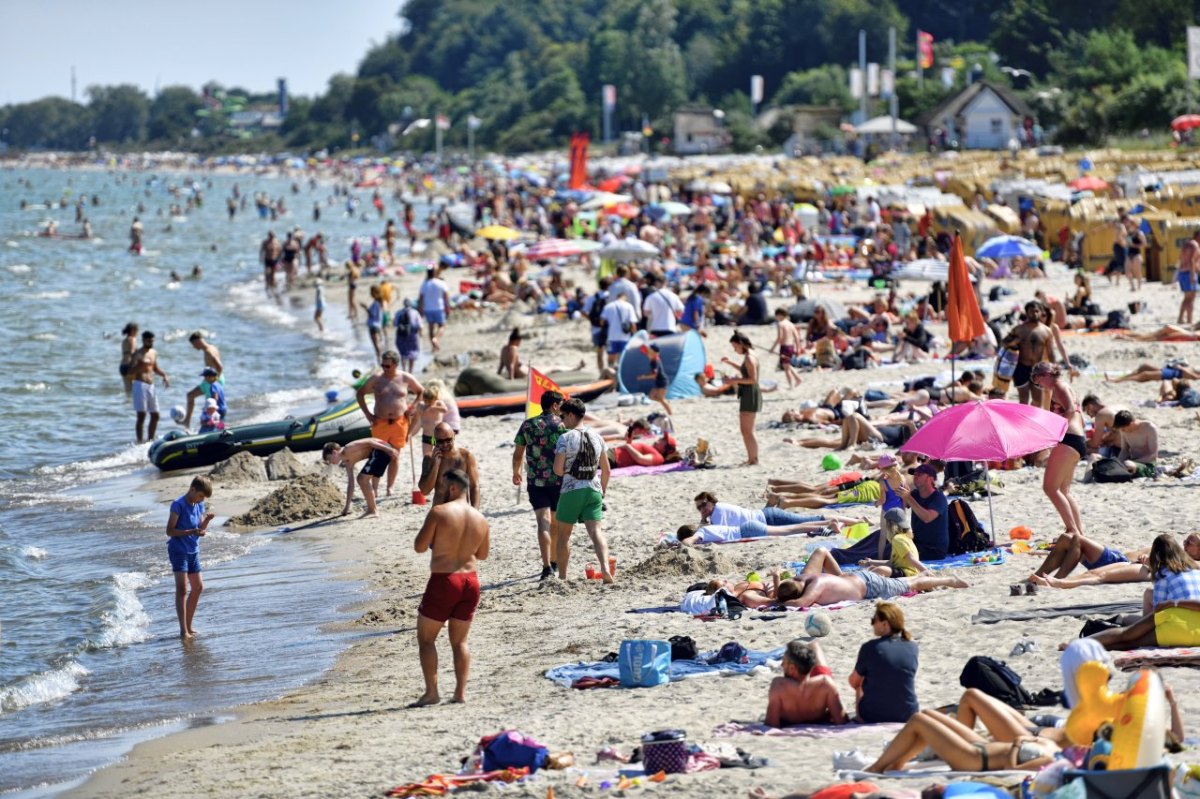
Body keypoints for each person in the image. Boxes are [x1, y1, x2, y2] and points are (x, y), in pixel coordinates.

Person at [412, 468, 490, 707]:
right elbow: (483, 554)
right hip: (471, 581)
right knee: (460, 642)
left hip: (445, 579)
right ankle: (460, 693)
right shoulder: (481, 518)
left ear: (453, 487)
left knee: (426, 640)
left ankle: (432, 693)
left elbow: (419, 546)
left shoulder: (439, 512)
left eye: (444, 487)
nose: (442, 491)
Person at [1068, 533, 1200, 651]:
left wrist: (1173, 604)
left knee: (1126, 636)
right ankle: (1120, 622)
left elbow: (1158, 612)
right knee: (1148, 597)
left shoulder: (1164, 575)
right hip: (1197, 629)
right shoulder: (1196, 572)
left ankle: (1078, 645)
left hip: (1178, 625)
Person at [864, 695, 1059, 774]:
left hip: (974, 759)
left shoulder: (1052, 761)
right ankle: (898, 763)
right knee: (929, 715)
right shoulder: (1056, 749)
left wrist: (1018, 742)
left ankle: (876, 768)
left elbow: (1012, 768)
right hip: (981, 745)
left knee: (918, 721)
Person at [779, 548, 967, 607]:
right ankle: (925, 574)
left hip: (869, 585)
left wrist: (777, 604)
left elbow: (801, 603)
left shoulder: (816, 584)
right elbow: (821, 551)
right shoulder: (804, 576)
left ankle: (949, 580)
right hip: (857, 578)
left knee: (912, 584)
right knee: (897, 583)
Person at [552, 398, 612, 582]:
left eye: (563, 416)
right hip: (593, 488)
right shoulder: (597, 436)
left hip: (572, 489)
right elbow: (606, 470)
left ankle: (562, 576)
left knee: (564, 534)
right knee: (596, 532)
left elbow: (558, 469)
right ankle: (606, 569)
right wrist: (602, 491)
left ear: (571, 414)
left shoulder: (565, 438)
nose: (562, 420)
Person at [513, 390, 566, 580]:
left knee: (543, 523)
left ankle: (546, 567)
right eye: (562, 404)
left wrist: (516, 472)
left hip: (536, 482)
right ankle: (554, 561)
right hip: (559, 482)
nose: (563, 407)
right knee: (556, 523)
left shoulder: (528, 424)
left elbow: (518, 453)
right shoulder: (563, 425)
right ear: (554, 405)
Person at [356, 351, 423, 496]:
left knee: (395, 456)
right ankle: (375, 487)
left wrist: (413, 406)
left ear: (395, 364)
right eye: (382, 365)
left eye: (387, 365)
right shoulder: (376, 378)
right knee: (379, 455)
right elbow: (360, 393)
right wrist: (368, 415)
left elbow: (420, 391)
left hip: (400, 422)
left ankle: (390, 487)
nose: (384, 368)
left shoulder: (405, 377)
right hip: (380, 422)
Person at [1032, 362, 1086, 535]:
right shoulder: (1064, 388)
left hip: (1068, 439)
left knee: (1050, 488)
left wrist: (1056, 434)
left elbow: (1069, 410)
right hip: (1077, 440)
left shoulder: (1059, 386)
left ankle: (1072, 530)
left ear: (1046, 374)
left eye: (1037, 379)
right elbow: (1080, 417)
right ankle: (1078, 531)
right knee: (1064, 490)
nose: (1038, 384)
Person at [848, 602, 919, 723]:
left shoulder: (870, 647)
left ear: (885, 624)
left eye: (874, 620)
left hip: (874, 715)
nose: (872, 625)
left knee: (860, 681)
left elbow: (853, 682)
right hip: (908, 713)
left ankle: (860, 718)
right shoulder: (913, 647)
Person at [166, 475, 215, 640]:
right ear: (192, 489)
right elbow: (170, 531)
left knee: (198, 587)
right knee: (182, 590)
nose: (202, 499)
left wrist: (206, 522)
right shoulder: (178, 505)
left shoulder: (199, 504)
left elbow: (199, 530)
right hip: (178, 551)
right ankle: (183, 631)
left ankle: (189, 626)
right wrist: (190, 532)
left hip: (193, 550)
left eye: (204, 498)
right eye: (201, 495)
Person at [766, 641, 847, 727]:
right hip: (816, 686)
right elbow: (841, 720)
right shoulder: (825, 683)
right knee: (814, 646)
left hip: (810, 682)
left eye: (784, 662)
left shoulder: (779, 686)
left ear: (792, 668)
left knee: (813, 646)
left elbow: (771, 723)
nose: (782, 665)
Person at [322, 438, 400, 518]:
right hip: (378, 453)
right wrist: (346, 507)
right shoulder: (348, 463)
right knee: (361, 479)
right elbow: (351, 485)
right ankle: (372, 509)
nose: (330, 462)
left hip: (382, 448)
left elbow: (370, 442)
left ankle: (373, 510)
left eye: (329, 459)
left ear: (334, 452)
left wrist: (389, 449)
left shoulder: (349, 448)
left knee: (362, 479)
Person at [1001, 302, 1052, 405]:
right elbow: (1003, 343)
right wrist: (1013, 342)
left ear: (1041, 312)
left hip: (1038, 369)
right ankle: (1023, 420)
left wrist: (1054, 369)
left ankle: (1033, 420)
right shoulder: (1019, 329)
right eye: (1031, 311)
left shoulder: (1046, 331)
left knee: (1038, 401)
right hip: (1021, 367)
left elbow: (1051, 352)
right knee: (1023, 400)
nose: (1034, 314)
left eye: (1037, 311)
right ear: (1026, 313)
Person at [418, 423, 480, 507]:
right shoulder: (429, 458)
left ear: (454, 435)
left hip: (461, 510)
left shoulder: (466, 456)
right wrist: (435, 465)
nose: (445, 444)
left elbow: (474, 487)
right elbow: (425, 491)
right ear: (434, 440)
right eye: (440, 441)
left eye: (448, 440)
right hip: (440, 511)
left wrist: (474, 512)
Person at [856, 507, 928, 578]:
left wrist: (925, 571)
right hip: (905, 571)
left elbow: (910, 558)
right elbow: (891, 563)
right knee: (872, 568)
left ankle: (862, 579)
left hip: (907, 573)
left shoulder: (898, 539)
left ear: (890, 524)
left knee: (880, 570)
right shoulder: (905, 537)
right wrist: (871, 562)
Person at [898, 463, 949, 560]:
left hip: (934, 550)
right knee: (882, 538)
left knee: (892, 550)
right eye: (915, 474)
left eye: (920, 474)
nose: (915, 477)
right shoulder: (915, 494)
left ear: (931, 479)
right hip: (917, 544)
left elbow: (927, 518)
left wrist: (908, 498)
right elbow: (900, 510)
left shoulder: (939, 498)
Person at [725, 331, 761, 465]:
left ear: (740, 344)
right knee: (747, 430)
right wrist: (730, 363)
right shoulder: (750, 355)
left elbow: (752, 379)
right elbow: (744, 369)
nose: (734, 350)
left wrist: (733, 380)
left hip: (750, 394)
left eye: (735, 347)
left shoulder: (749, 358)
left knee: (747, 430)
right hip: (749, 393)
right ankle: (752, 458)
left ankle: (753, 459)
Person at [675, 517, 840, 545]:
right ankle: (826, 525)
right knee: (789, 529)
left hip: (748, 531)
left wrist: (681, 544)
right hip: (747, 527)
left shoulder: (702, 534)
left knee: (789, 530)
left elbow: (690, 542)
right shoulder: (706, 530)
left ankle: (825, 527)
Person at [130, 330, 170, 442]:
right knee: (141, 415)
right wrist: (139, 367)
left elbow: (155, 368)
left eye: (152, 340)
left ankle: (150, 440)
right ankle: (139, 441)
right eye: (148, 340)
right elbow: (129, 371)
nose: (150, 342)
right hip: (139, 384)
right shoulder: (137, 354)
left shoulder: (154, 352)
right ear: (143, 340)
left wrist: (164, 375)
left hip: (151, 386)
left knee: (155, 415)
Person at [1112, 410, 1158, 477]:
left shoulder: (1149, 428)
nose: (1122, 431)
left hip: (1148, 464)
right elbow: (1124, 450)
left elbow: (1153, 455)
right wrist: (1118, 463)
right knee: (1096, 458)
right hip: (1132, 461)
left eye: (1123, 429)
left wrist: (1134, 462)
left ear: (1131, 424)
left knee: (1127, 464)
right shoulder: (1124, 431)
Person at [768, 308, 803, 388]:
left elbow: (779, 337)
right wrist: (798, 349)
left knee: (786, 368)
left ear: (779, 315)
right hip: (791, 346)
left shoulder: (780, 324)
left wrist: (772, 348)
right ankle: (798, 379)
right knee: (787, 365)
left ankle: (791, 385)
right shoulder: (791, 324)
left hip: (785, 347)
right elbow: (797, 337)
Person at [600, 291, 637, 366]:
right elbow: (633, 323)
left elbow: (602, 322)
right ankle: (621, 372)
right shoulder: (629, 306)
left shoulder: (608, 306)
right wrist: (635, 335)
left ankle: (610, 370)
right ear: (625, 298)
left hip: (611, 336)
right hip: (625, 337)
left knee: (611, 355)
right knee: (623, 357)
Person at [418, 267, 450, 352]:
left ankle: (433, 347)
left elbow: (421, 299)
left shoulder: (425, 284)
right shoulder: (441, 283)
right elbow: (446, 297)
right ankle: (436, 339)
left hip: (428, 308)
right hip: (439, 307)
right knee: (442, 326)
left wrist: (420, 311)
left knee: (431, 328)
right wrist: (448, 308)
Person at [638, 343, 672, 417]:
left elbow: (654, 375)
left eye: (650, 350)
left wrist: (643, 377)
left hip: (662, 381)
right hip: (659, 381)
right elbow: (647, 352)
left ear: (654, 352)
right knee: (651, 396)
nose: (648, 352)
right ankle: (666, 402)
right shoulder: (654, 358)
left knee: (660, 399)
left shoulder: (655, 361)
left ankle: (670, 414)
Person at [393, 298, 423, 373]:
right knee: (412, 353)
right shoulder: (415, 312)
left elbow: (395, 324)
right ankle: (410, 371)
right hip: (412, 335)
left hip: (401, 335)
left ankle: (403, 370)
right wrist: (420, 334)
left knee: (403, 353)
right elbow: (420, 325)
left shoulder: (399, 312)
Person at [1179, 228, 1200, 325]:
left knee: (1186, 298)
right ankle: (1189, 319)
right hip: (1189, 273)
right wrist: (1193, 275)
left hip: (1182, 273)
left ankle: (1180, 318)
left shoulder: (1187, 244)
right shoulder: (1195, 245)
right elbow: (1192, 260)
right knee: (1191, 298)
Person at [119, 322, 138, 395]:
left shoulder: (124, 341)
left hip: (122, 366)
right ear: (133, 330)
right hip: (130, 366)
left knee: (128, 391)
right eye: (136, 330)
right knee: (142, 384)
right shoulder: (133, 339)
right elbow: (133, 352)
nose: (137, 333)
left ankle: (127, 404)